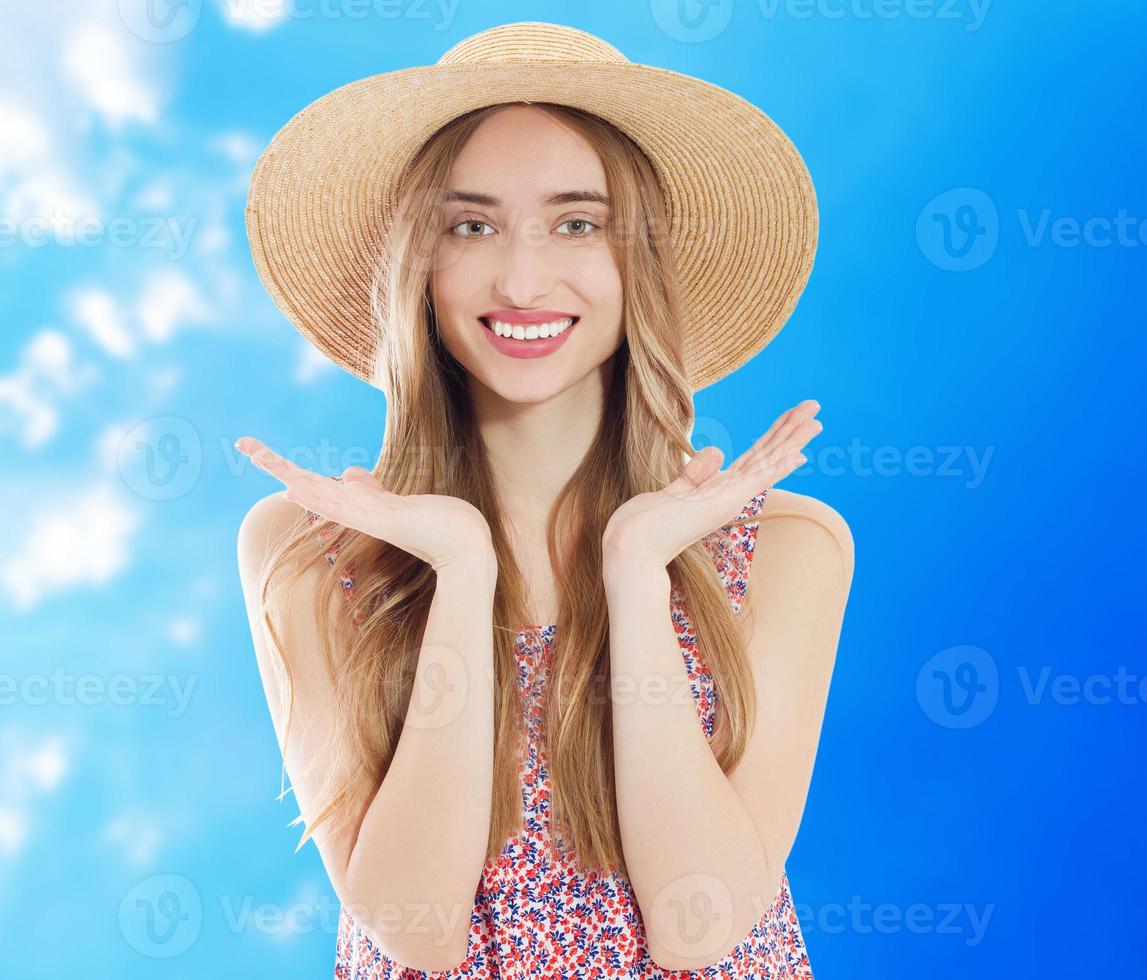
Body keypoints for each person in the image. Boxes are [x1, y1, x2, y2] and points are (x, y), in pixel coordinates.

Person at [235, 22, 853, 978]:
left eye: (577, 222)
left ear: (641, 256)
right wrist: (462, 572)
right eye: (470, 225)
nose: (522, 279)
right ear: (419, 268)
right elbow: (415, 927)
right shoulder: (313, 550)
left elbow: (702, 925)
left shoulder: (787, 546)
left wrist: (640, 575)